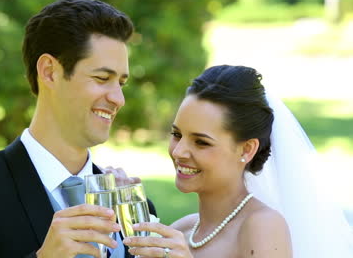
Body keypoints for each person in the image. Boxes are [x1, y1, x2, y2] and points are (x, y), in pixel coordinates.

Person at [0, 0, 155, 258]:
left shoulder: (133, 204)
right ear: (49, 71)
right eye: (102, 78)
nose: (118, 99)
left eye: (121, 83)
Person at [121, 65, 353, 258]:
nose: (179, 151)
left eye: (201, 142)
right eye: (177, 135)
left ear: (247, 149)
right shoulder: (183, 229)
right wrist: (119, 208)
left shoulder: (262, 226)